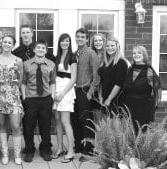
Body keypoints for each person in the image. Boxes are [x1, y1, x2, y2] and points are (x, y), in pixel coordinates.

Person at [22, 40, 56, 162]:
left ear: (46, 51)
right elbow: (23, 82)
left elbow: (52, 81)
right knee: (28, 127)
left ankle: (45, 149)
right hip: (30, 99)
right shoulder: (26, 64)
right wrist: (24, 97)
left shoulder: (51, 64)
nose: (40, 49)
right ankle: (29, 150)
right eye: (38, 47)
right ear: (34, 50)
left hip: (46, 99)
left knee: (45, 126)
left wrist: (52, 96)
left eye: (43, 48)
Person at [0, 35, 24, 165]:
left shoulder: (18, 60)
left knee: (16, 126)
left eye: (9, 42)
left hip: (13, 96)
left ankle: (17, 154)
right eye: (4, 42)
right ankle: (5, 153)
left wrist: (14, 90)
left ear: (13, 45)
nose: (6, 44)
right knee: (1, 125)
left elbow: (21, 78)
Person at [72, 28, 100, 158]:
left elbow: (96, 75)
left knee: (86, 121)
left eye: (82, 37)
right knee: (76, 120)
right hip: (74, 91)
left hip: (85, 90)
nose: (79, 39)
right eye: (77, 36)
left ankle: (89, 149)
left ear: (87, 39)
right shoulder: (74, 53)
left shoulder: (91, 53)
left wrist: (90, 93)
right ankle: (78, 145)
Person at [123, 46, 161, 132]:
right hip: (130, 106)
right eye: (134, 53)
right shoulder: (130, 69)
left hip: (144, 108)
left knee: (142, 133)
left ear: (144, 55)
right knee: (131, 132)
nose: (136, 55)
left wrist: (154, 105)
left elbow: (157, 88)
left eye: (139, 53)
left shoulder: (148, 70)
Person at [53, 33, 76, 163]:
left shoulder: (72, 57)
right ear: (59, 43)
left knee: (65, 121)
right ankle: (60, 148)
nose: (64, 43)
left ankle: (71, 150)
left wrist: (62, 94)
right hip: (56, 90)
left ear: (69, 42)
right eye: (62, 41)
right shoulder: (57, 57)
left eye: (67, 41)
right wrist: (55, 93)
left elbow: (73, 79)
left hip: (66, 91)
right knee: (57, 120)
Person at [98, 36, 128, 113]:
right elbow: (101, 81)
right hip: (104, 98)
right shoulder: (105, 63)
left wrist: (109, 99)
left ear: (117, 47)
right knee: (106, 124)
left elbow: (119, 84)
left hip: (116, 100)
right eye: (107, 46)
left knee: (115, 124)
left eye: (112, 46)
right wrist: (100, 96)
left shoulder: (121, 63)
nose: (110, 48)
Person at [90, 33, 106, 122]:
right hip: (94, 89)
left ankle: (106, 136)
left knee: (105, 119)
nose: (98, 42)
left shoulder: (108, 55)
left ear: (104, 42)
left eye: (100, 40)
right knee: (96, 118)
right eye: (95, 41)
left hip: (105, 90)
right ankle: (98, 136)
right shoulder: (91, 54)